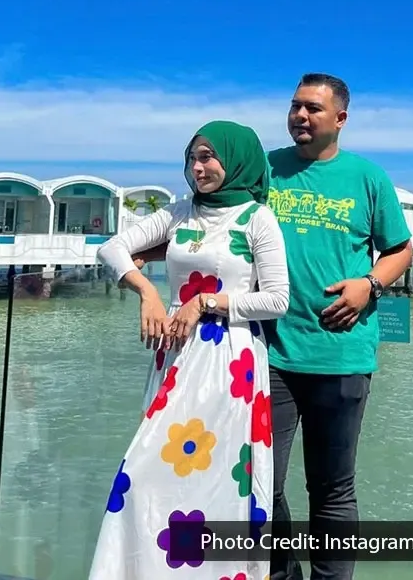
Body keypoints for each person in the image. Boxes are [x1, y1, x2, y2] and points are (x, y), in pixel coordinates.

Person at [88, 120, 290, 580]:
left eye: (208, 157)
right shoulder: (180, 212)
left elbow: (278, 299)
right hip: (175, 356)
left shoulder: (256, 218)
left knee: (214, 476)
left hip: (228, 363)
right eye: (192, 158)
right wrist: (147, 290)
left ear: (236, 160)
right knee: (146, 472)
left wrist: (205, 301)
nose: (197, 168)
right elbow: (113, 248)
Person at [265, 73, 413, 580]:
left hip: (342, 353)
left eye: (313, 109)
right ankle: (283, 574)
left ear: (340, 119)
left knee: (331, 488)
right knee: (265, 483)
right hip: (269, 355)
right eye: (294, 107)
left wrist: (369, 285)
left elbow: (400, 250)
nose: (300, 117)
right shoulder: (266, 170)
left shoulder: (368, 178)